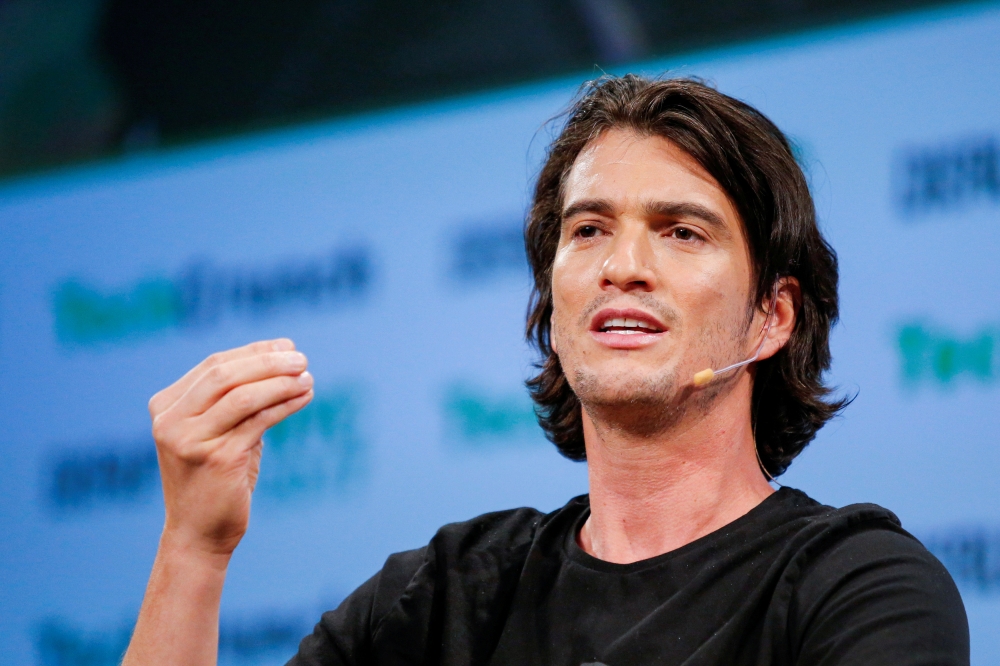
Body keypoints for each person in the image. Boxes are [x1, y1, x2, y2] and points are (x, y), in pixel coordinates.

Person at [122, 76, 968, 666]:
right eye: (589, 230)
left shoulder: (858, 588)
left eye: (682, 232)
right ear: (553, 303)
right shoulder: (440, 600)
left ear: (773, 315)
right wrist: (194, 547)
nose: (622, 267)